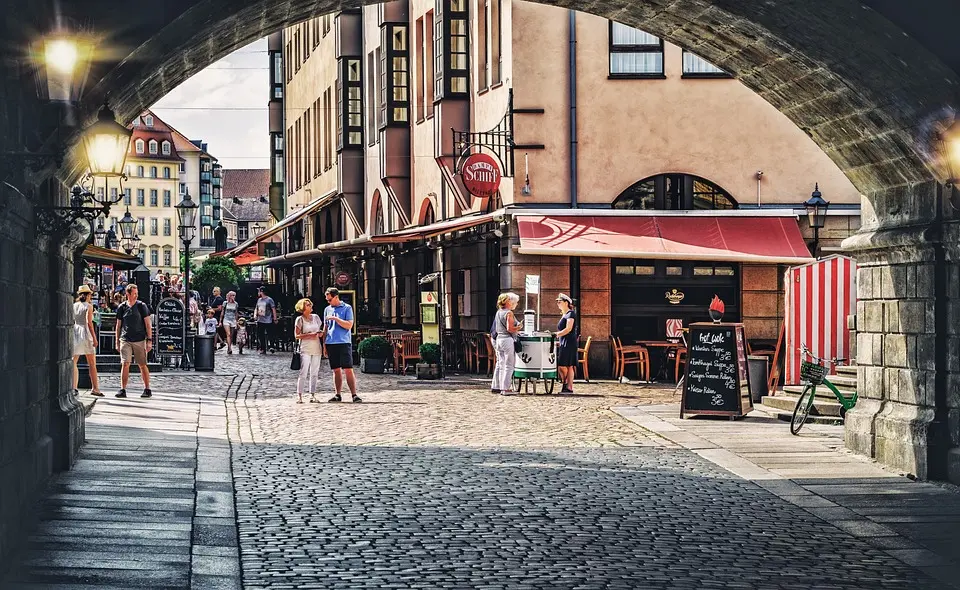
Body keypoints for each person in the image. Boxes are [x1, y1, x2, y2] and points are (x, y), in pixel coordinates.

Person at [321, 287, 361, 403]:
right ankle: (337, 394)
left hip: (344, 342)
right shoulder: (327, 309)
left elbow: (349, 325)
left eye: (330, 299)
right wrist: (324, 344)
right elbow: (326, 327)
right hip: (331, 342)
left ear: (336, 297)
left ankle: (354, 394)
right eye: (327, 300)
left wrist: (335, 318)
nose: (328, 302)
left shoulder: (347, 308)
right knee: (336, 370)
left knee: (348, 368)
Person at [114, 284, 152, 398]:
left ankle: (147, 388)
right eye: (134, 293)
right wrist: (117, 341)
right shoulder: (122, 307)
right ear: (128, 294)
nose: (136, 296)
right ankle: (122, 389)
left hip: (139, 339)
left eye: (137, 293)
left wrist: (149, 340)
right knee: (125, 363)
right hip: (125, 339)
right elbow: (118, 325)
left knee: (142, 364)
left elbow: (147, 324)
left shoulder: (141, 306)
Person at [73, 285, 102, 396]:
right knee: (92, 363)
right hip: (85, 333)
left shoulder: (74, 305)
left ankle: (74, 387)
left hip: (76, 331)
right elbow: (89, 323)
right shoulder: (89, 306)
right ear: (88, 295)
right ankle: (95, 388)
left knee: (74, 361)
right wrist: (94, 338)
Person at [491, 292, 522, 395]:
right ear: (507, 301)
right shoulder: (509, 313)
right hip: (507, 340)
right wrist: (517, 328)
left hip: (499, 339)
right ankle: (506, 388)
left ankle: (500, 387)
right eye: (509, 299)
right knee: (509, 365)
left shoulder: (498, 312)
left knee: (501, 363)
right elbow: (510, 328)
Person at [293, 298, 324, 403]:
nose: (310, 306)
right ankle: (299, 395)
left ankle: (312, 394)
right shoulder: (300, 319)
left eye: (310, 304)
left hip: (316, 347)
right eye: (307, 305)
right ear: (302, 307)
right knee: (304, 372)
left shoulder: (316, 317)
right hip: (305, 348)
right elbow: (297, 336)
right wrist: (309, 335)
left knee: (314, 372)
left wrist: (320, 334)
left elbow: (321, 331)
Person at [554, 293, 578, 394]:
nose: (558, 303)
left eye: (560, 302)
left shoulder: (570, 313)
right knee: (566, 365)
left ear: (566, 303)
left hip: (569, 342)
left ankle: (568, 385)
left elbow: (568, 328)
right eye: (557, 302)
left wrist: (557, 334)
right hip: (564, 341)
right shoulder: (564, 314)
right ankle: (567, 386)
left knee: (565, 365)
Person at [254, 287, 277, 354]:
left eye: (259, 291)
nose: (258, 293)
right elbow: (256, 308)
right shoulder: (259, 300)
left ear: (261, 292)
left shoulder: (269, 300)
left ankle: (271, 346)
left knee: (270, 333)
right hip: (260, 320)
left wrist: (275, 318)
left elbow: (273, 309)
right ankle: (263, 348)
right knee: (260, 334)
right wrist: (255, 315)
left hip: (268, 319)